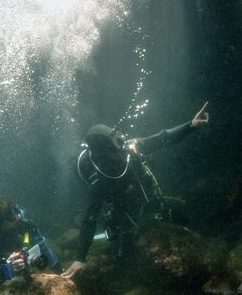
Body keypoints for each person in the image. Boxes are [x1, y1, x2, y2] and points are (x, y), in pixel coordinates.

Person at [62, 102, 210, 278]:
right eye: (118, 147)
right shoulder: (101, 181)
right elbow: (90, 218)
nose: (124, 148)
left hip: (149, 203)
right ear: (106, 154)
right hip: (125, 215)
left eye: (121, 142)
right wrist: (80, 258)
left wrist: (191, 125)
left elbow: (161, 139)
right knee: (126, 259)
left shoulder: (130, 148)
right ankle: (82, 242)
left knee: (186, 214)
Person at [0, 195, 61, 292]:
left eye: (16, 209)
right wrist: (4, 271)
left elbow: (41, 243)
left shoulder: (21, 216)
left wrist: (58, 271)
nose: (18, 216)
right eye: (10, 215)